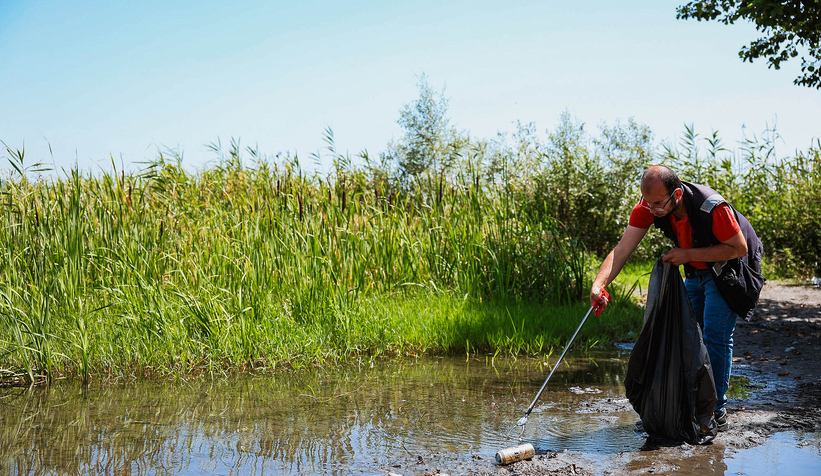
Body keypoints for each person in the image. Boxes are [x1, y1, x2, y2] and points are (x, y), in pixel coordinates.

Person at [590, 165, 764, 432]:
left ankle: (714, 411)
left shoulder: (712, 207)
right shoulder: (648, 207)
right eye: (647, 203)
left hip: (732, 267)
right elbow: (622, 248)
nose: (653, 210)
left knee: (715, 336)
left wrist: (687, 254)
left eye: (658, 204)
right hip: (695, 267)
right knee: (689, 335)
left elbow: (737, 248)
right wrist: (599, 284)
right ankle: (692, 404)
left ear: (678, 194)